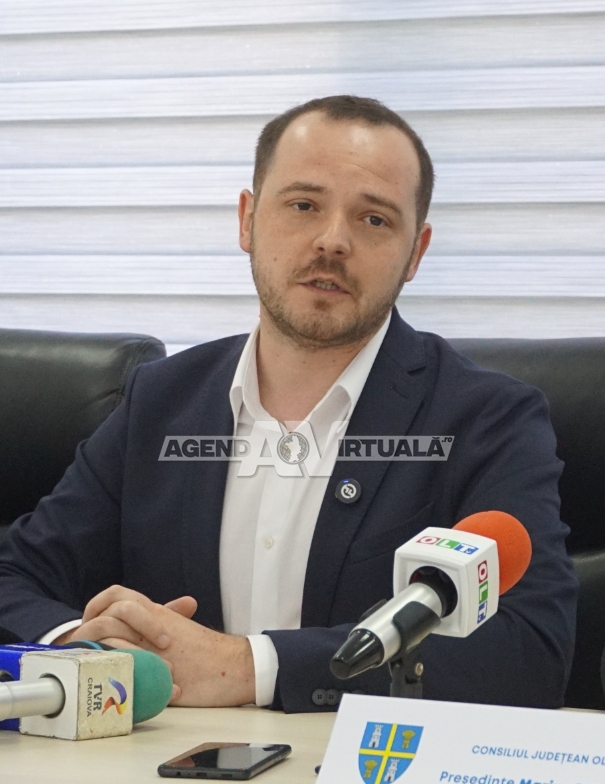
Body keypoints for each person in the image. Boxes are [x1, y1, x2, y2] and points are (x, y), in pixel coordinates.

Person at [0, 95, 577, 713]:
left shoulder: (487, 419)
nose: (333, 241)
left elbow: (531, 652)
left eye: (374, 219)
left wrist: (248, 666)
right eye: (303, 205)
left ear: (416, 252)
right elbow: (16, 577)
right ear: (247, 219)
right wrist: (84, 651)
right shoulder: (161, 402)